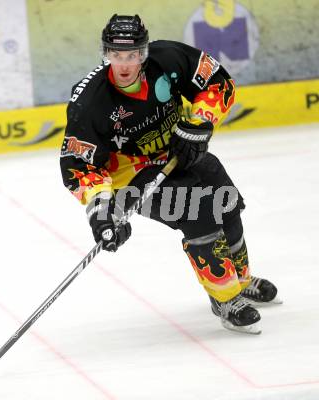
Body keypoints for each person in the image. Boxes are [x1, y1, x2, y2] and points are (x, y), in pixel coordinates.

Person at [60, 14, 281, 334]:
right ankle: (225, 299)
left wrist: (198, 125)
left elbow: (218, 81)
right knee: (200, 211)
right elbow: (79, 167)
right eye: (116, 55)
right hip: (131, 177)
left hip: (179, 152)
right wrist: (103, 213)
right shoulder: (89, 102)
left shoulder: (169, 59)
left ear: (145, 53)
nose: (124, 65)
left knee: (228, 205)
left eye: (132, 55)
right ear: (104, 54)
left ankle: (240, 280)